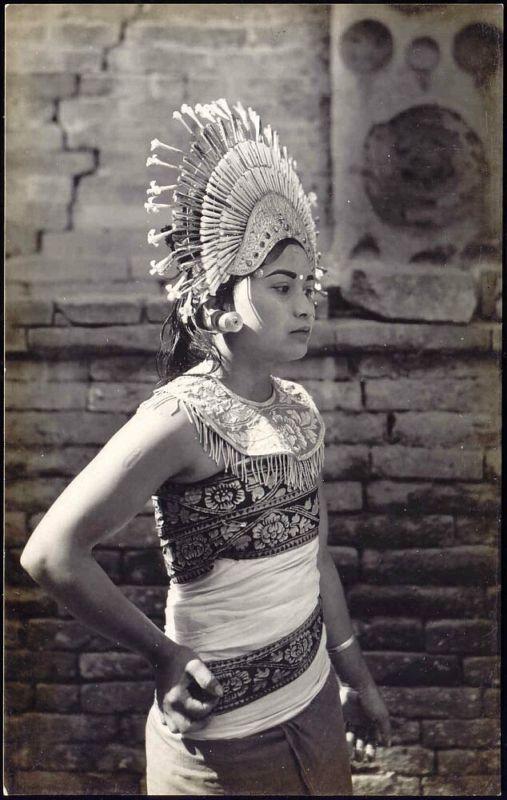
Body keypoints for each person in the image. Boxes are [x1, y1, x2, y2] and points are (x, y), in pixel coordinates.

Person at [21, 99, 391, 796]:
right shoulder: (179, 420)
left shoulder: (301, 411)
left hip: (313, 710)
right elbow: (50, 552)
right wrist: (161, 654)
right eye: (280, 286)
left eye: (307, 286)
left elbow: (315, 558)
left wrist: (356, 678)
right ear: (217, 307)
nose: (305, 304)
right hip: (221, 746)